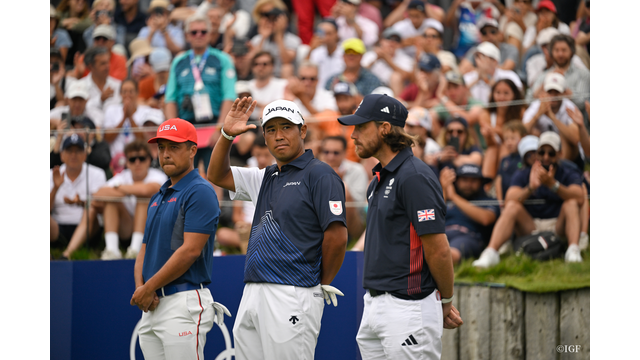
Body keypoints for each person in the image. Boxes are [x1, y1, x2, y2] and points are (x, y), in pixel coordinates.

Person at [207, 98, 348, 360]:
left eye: (286, 127)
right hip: (253, 292)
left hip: (293, 292)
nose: (278, 136)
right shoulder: (265, 175)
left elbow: (337, 238)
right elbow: (215, 175)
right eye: (271, 130)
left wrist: (319, 284)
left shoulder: (321, 174)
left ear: (302, 131)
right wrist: (226, 135)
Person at [337, 94, 463, 358]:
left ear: (384, 129)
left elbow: (439, 249)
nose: (353, 135)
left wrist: (447, 300)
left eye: (361, 127)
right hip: (374, 306)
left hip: (409, 309)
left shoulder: (414, 176)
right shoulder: (378, 180)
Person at [131, 118, 230, 359]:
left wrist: (148, 288)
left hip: (183, 301)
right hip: (153, 304)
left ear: (192, 150)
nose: (165, 154)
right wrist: (142, 290)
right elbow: (143, 251)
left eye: (173, 147)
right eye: (161, 147)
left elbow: (190, 251)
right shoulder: (158, 196)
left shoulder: (200, 191)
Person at [473, 131, 584, 267]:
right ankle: (491, 253)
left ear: (560, 154)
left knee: (571, 203)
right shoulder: (524, 173)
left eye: (551, 153)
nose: (546, 157)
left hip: (558, 225)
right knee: (512, 206)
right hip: (531, 225)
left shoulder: (568, 172)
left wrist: (553, 185)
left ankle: (573, 250)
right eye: (542, 152)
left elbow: (579, 197)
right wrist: (530, 188)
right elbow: (509, 199)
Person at [62, 140, 167, 260]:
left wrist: (119, 188)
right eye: (132, 159)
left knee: (142, 199)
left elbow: (146, 190)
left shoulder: (158, 175)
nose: (137, 162)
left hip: (152, 234)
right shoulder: (123, 176)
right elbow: (99, 193)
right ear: (127, 162)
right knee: (111, 201)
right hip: (126, 229)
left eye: (142, 158)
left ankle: (136, 250)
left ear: (149, 160)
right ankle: (112, 250)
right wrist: (129, 191)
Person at [164, 13, 237, 170]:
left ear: (210, 34)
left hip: (214, 124)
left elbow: (229, 96)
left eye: (203, 32)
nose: (199, 35)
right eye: (194, 32)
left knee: (215, 175)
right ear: (186, 35)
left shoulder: (223, 59)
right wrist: (175, 133)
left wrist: (220, 129)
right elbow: (170, 99)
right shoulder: (178, 61)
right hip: (186, 128)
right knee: (185, 176)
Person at [51, 134, 107, 254]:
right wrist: (55, 189)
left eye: (78, 151)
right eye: (69, 151)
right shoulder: (52, 174)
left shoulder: (97, 173)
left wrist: (81, 203)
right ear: (61, 155)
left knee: (90, 210)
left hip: (90, 229)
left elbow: (101, 207)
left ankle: (67, 254)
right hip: (58, 227)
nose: (73, 155)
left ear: (85, 155)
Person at [523, 72, 584, 170]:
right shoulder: (536, 106)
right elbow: (522, 132)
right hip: (543, 150)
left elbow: (576, 138)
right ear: (544, 92)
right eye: (550, 92)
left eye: (556, 92)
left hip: (571, 156)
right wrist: (538, 114)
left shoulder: (570, 107)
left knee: (563, 136)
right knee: (533, 132)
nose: (553, 95)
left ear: (563, 93)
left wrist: (552, 118)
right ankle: (536, 169)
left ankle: (559, 171)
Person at [439, 164, 499, 264]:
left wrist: (454, 197)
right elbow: (436, 217)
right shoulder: (446, 198)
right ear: (456, 181)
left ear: (481, 182)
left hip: (468, 236)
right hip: (442, 232)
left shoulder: (488, 200)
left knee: (447, 256)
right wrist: (444, 189)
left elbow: (486, 219)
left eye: (473, 181)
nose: (468, 184)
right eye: (464, 180)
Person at [320, 135, 368, 240]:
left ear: (344, 153)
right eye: (326, 152)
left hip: (350, 221)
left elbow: (357, 205)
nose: (330, 157)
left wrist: (338, 183)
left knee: (345, 192)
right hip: (320, 217)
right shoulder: (313, 169)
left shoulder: (356, 170)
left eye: (336, 153)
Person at [104, 79, 165, 159]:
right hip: (115, 159)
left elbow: (145, 139)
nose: (128, 95)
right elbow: (107, 139)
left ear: (137, 93)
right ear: (120, 94)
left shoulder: (146, 111)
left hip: (138, 158)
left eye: (131, 91)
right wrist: (124, 118)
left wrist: (130, 118)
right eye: (124, 91)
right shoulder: (111, 110)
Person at [528, 34, 590, 112]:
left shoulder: (583, 74)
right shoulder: (543, 75)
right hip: (546, 121)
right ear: (551, 52)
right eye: (556, 50)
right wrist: (547, 82)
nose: (560, 54)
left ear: (571, 51)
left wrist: (561, 86)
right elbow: (529, 101)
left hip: (574, 121)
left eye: (564, 50)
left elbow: (583, 103)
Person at [478, 78, 525, 178]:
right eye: (498, 93)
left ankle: (503, 181)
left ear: (514, 95)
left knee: (505, 146)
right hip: (492, 151)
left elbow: (521, 136)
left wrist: (495, 130)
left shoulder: (521, 113)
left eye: (506, 93)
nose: (501, 97)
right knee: (492, 150)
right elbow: (490, 144)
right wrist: (488, 136)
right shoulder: (486, 114)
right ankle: (487, 184)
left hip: (514, 151)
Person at [72, 46, 123, 126]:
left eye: (107, 62)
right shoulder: (78, 86)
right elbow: (76, 109)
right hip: (86, 132)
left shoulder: (118, 85)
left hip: (113, 134)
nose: (107, 66)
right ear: (90, 66)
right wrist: (100, 99)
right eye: (103, 63)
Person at [462, 41, 523, 105]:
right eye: (477, 56)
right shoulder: (468, 76)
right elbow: (461, 96)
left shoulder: (509, 76)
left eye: (482, 56)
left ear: (494, 61)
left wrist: (488, 80)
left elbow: (518, 97)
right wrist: (477, 80)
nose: (478, 60)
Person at [249, 4, 301, 78]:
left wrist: (279, 35)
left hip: (281, 77)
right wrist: (263, 37)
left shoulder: (293, 40)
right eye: (269, 19)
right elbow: (255, 61)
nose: (272, 23)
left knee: (287, 68)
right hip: (264, 76)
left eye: (275, 20)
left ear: (285, 22)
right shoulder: (258, 39)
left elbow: (286, 60)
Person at [431, 70, 484, 140]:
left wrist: (442, 97)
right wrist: (443, 141)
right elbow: (430, 116)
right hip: (452, 149)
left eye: (455, 86)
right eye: (448, 87)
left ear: (465, 88)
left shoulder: (477, 104)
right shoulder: (445, 105)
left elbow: (467, 121)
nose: (452, 91)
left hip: (478, 149)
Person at [361, 27, 414, 96]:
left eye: (396, 40)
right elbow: (359, 72)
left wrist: (387, 60)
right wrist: (375, 60)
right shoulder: (371, 55)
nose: (392, 42)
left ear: (399, 44)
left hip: (392, 91)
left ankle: (397, 105)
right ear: (381, 41)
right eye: (389, 38)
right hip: (372, 88)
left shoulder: (404, 58)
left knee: (396, 76)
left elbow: (409, 77)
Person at [493, 122, 531, 207]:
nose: (509, 142)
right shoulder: (504, 159)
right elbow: (499, 179)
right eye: (506, 139)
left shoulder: (526, 159)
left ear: (524, 137)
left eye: (513, 138)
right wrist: (500, 201)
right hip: (504, 202)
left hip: (520, 202)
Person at [307, 18, 345, 95]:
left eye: (329, 33)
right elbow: (306, 72)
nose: (326, 38)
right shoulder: (315, 53)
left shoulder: (345, 54)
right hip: (317, 94)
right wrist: (311, 48)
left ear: (337, 34)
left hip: (338, 95)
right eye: (324, 34)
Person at [247, 51, 289, 118]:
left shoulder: (284, 84)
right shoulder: (245, 86)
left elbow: (287, 107)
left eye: (265, 64)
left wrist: (257, 105)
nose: (260, 67)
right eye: (256, 64)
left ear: (273, 66)